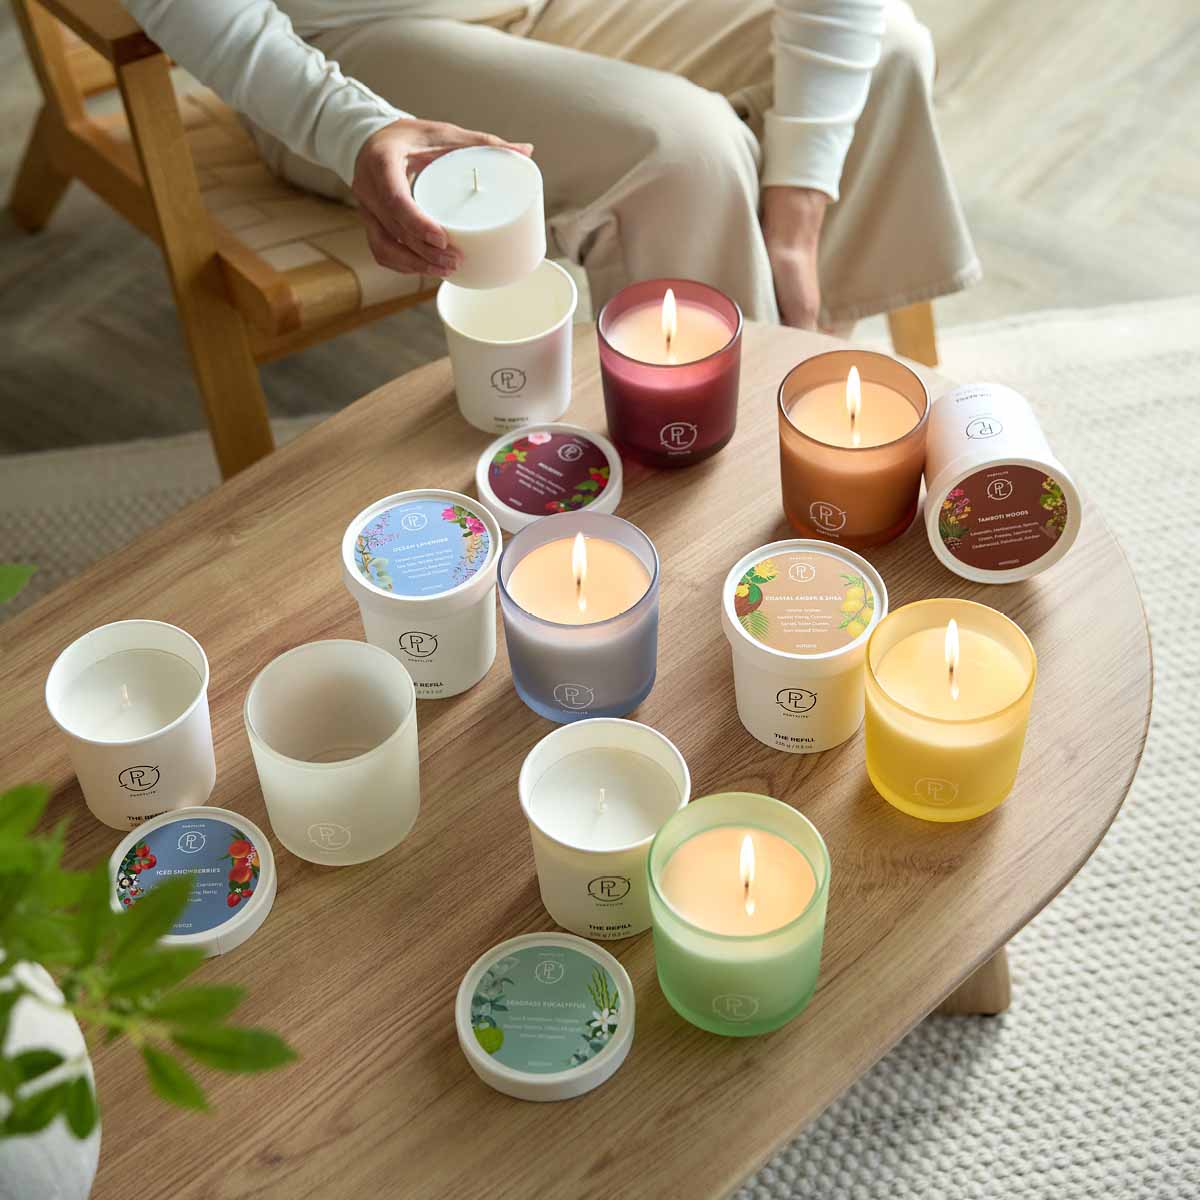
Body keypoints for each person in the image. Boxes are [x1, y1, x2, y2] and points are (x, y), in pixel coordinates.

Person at [124, 0, 979, 329]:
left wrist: (796, 214)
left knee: (887, 48)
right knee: (680, 151)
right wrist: (342, 126)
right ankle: (714, 500)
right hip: (344, 54)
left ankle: (809, 401)